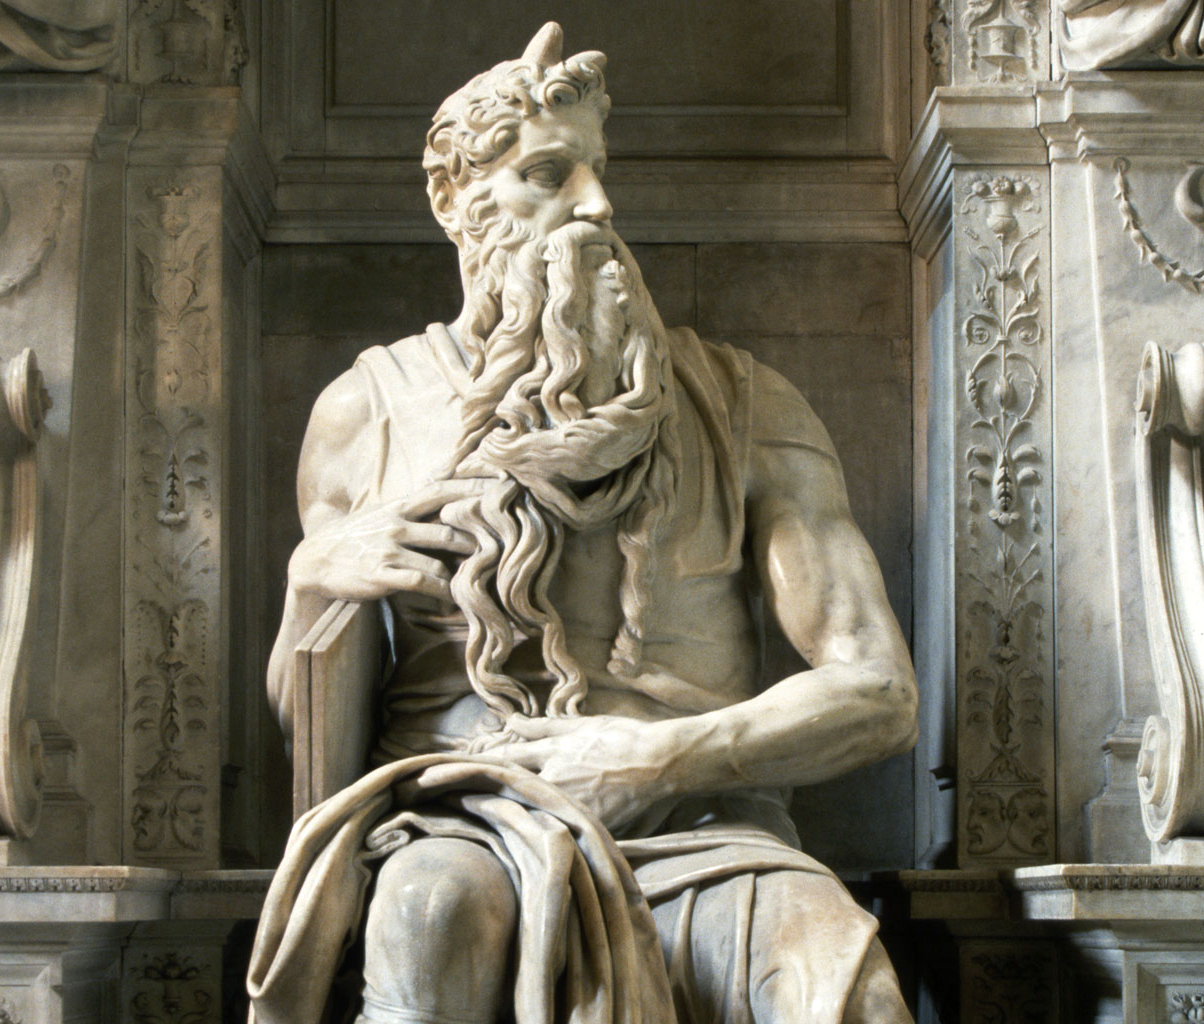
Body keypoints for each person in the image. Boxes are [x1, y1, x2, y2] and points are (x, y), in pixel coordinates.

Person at [249, 23, 918, 1024]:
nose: (597, 205)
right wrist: (313, 584)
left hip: (705, 827)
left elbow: (880, 692)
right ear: (453, 200)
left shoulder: (742, 401)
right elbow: (317, 743)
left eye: (598, 170)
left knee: (844, 979)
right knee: (429, 917)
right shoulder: (367, 411)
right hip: (467, 822)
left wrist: (658, 758)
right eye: (548, 173)